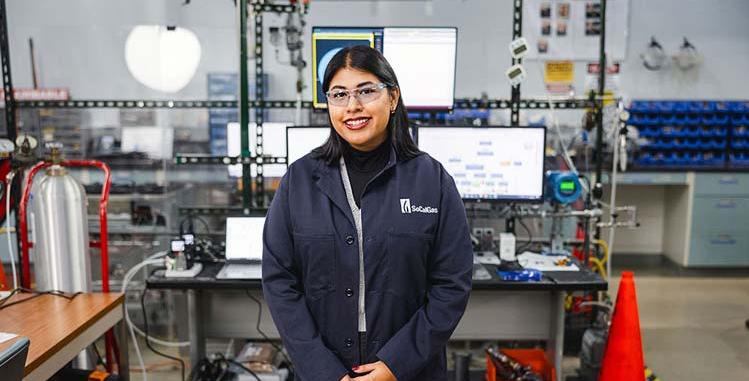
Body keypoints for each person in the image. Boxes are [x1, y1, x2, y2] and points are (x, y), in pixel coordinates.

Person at [262, 45, 472, 381]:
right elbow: (280, 283)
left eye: (366, 91)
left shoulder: (432, 181)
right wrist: (323, 370)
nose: (353, 106)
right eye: (339, 94)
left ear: (392, 98)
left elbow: (452, 285)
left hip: (411, 371)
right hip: (327, 368)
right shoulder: (299, 182)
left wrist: (396, 365)